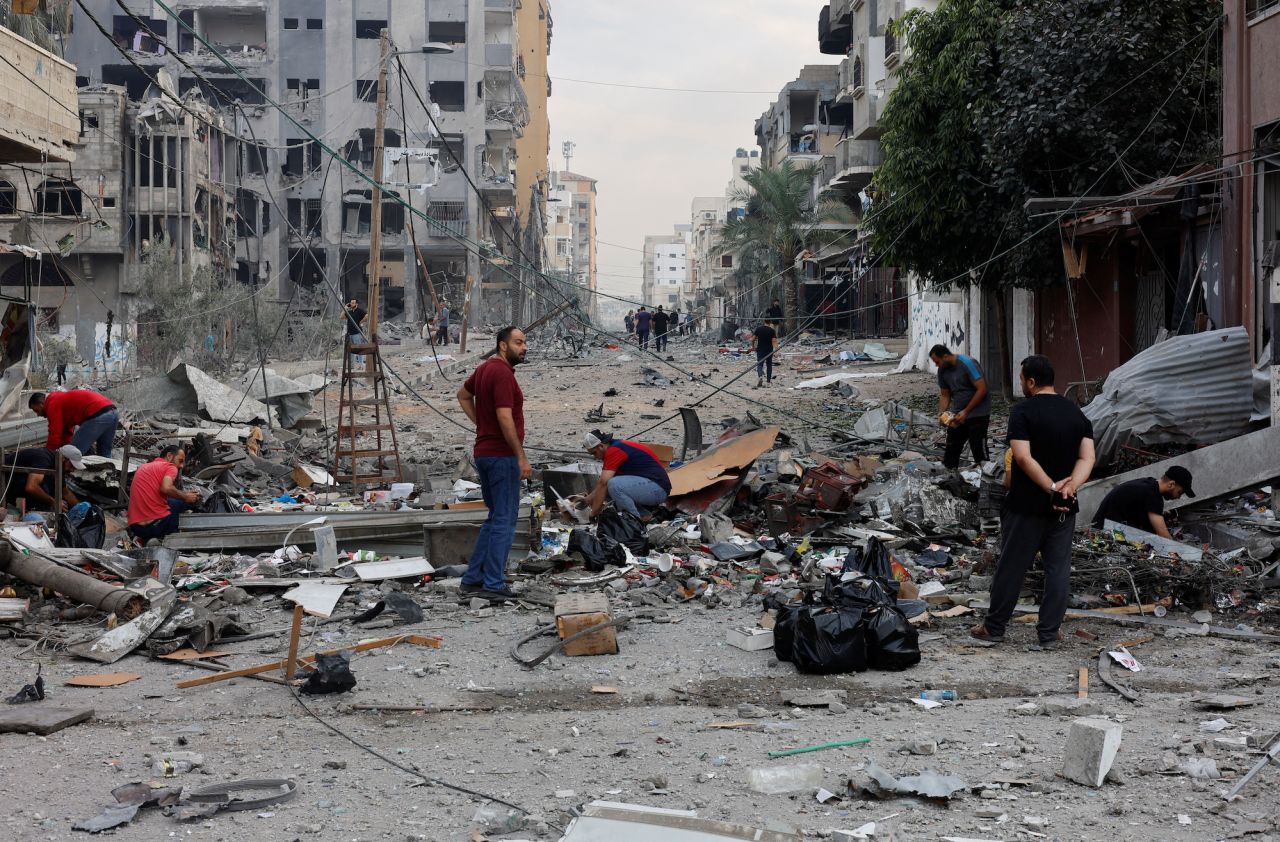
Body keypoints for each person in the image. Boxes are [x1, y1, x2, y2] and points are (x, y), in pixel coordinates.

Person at [972, 355, 1095, 650]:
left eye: (1021, 380)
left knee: (1012, 567)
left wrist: (1052, 487)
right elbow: (1087, 457)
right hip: (1065, 507)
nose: (1021, 385)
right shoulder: (1078, 414)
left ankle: (994, 627)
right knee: (1058, 570)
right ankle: (1049, 634)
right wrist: (1069, 488)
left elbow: (1024, 459)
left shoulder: (1023, 411)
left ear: (1030, 381)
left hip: (1027, 505)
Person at [456, 327, 529, 602]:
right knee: (505, 520)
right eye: (518, 343)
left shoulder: (485, 369)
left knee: (494, 518)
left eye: (524, 343)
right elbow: (505, 417)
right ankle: (494, 583)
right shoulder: (500, 373)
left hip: (484, 453)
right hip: (501, 456)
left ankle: (473, 579)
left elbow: (462, 395)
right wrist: (520, 456)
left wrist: (480, 425)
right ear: (502, 346)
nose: (524, 348)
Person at [581, 430, 670, 520]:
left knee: (614, 485)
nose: (594, 457)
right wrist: (587, 500)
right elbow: (601, 487)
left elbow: (603, 483)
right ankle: (644, 516)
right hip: (653, 487)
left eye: (594, 453)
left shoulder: (614, 450)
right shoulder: (615, 446)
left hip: (658, 490)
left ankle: (634, 521)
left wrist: (593, 514)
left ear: (601, 446)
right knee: (608, 488)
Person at [929, 344, 992, 472]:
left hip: (978, 413)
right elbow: (945, 395)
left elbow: (982, 389)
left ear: (946, 356)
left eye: (937, 362)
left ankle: (986, 478)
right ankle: (950, 476)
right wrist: (941, 413)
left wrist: (967, 411)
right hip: (957, 413)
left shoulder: (968, 363)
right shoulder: (942, 371)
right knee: (952, 447)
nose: (936, 365)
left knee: (979, 450)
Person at [1091, 466, 1194, 538]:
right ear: (1171, 484)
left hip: (1101, 527)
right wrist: (1178, 551)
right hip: (1103, 532)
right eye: (1180, 492)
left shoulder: (1148, 484)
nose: (1178, 497)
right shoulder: (1152, 495)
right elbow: (1162, 533)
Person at [127, 445, 201, 543]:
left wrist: (184, 494)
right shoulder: (170, 467)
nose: (181, 466)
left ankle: (146, 539)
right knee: (181, 503)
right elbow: (166, 488)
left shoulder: (144, 467)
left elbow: (158, 492)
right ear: (169, 456)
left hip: (136, 528)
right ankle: (170, 540)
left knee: (173, 501)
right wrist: (186, 497)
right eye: (180, 461)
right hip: (154, 526)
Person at [29, 389, 119, 458]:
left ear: (41, 403)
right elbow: (67, 432)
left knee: (72, 455)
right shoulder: (59, 399)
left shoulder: (52, 403)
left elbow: (55, 433)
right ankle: (107, 478)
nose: (38, 414)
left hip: (97, 414)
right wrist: (62, 448)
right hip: (112, 412)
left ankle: (70, 480)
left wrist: (48, 454)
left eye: (36, 410)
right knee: (104, 454)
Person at [2, 445, 83, 512]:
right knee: (44, 492)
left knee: (49, 490)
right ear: (63, 458)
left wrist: (80, 508)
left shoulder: (58, 465)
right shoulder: (43, 459)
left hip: (16, 484)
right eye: (71, 465)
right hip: (5, 486)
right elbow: (31, 487)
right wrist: (53, 502)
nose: (72, 470)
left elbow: (65, 492)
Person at [752, 319, 778, 387]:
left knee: (760, 364)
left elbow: (752, 339)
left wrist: (753, 346)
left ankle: (760, 376)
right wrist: (776, 351)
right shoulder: (772, 331)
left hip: (760, 350)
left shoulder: (759, 329)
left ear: (764, 321)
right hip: (769, 350)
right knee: (769, 365)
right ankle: (768, 382)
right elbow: (774, 341)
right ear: (770, 322)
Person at [345, 298, 369, 366]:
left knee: (359, 348)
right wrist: (345, 308)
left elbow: (367, 316)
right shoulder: (349, 312)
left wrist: (361, 322)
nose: (351, 304)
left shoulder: (359, 311)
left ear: (356, 304)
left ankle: (360, 364)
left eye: (353, 303)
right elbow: (341, 317)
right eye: (351, 303)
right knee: (351, 350)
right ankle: (352, 365)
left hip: (357, 333)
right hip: (350, 333)